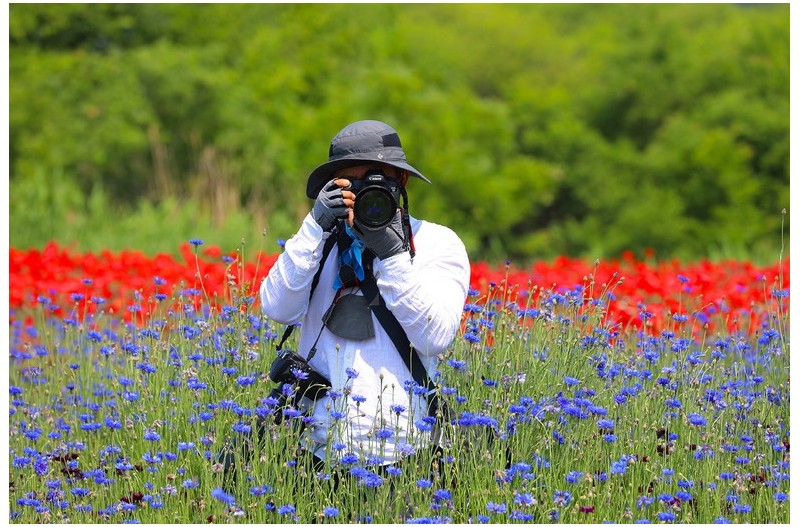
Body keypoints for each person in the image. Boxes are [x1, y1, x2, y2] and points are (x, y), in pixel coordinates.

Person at [259, 119, 470, 474]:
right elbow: (277, 307)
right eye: (349, 184)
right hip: (315, 452)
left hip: (406, 455)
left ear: (400, 181)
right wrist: (315, 225)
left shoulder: (437, 243)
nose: (364, 195)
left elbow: (435, 338)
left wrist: (391, 255)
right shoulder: (318, 244)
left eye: (376, 180)